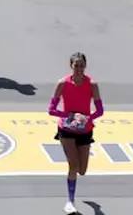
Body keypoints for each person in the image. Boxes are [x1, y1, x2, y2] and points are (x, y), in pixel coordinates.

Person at [48, 52, 104, 215]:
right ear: (71, 66)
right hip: (66, 129)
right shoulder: (62, 84)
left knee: (82, 170)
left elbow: (100, 110)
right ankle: (70, 201)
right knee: (73, 165)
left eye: (81, 65)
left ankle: (95, 207)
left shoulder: (92, 85)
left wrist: (87, 118)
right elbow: (51, 110)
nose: (79, 69)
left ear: (85, 66)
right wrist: (69, 116)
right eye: (76, 65)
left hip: (85, 130)